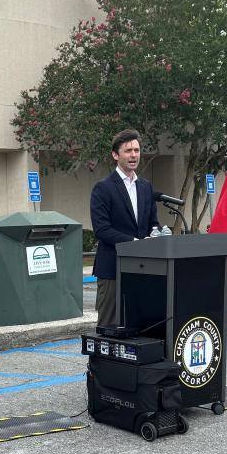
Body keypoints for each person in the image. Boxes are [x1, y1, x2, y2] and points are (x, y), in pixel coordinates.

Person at [90, 129, 160, 327]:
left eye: (137, 150)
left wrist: (157, 235)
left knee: (139, 323)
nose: (134, 155)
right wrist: (135, 244)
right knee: (109, 326)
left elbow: (152, 223)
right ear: (115, 155)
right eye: (128, 151)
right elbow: (102, 230)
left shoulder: (145, 187)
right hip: (112, 268)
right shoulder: (103, 188)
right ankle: (100, 360)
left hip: (143, 269)